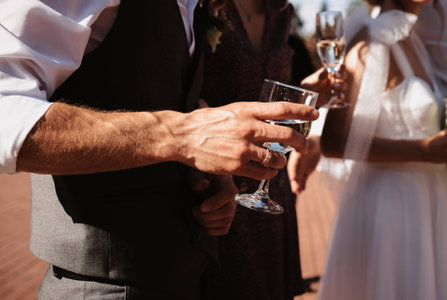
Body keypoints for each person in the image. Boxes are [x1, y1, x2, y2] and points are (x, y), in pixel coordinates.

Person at [0, 1, 320, 299]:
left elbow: (165, 91)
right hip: (105, 285)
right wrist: (182, 135)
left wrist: (212, 175)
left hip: (192, 275)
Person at [200, 1, 335, 299]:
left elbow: (275, 94)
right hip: (223, 187)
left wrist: (310, 91)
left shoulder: (280, 12)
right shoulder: (204, 7)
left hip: (273, 186)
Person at [317, 0, 447, 299]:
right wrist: (422, 150)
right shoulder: (370, 41)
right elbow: (334, 140)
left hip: (429, 202)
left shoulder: (411, 36)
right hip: (392, 211)